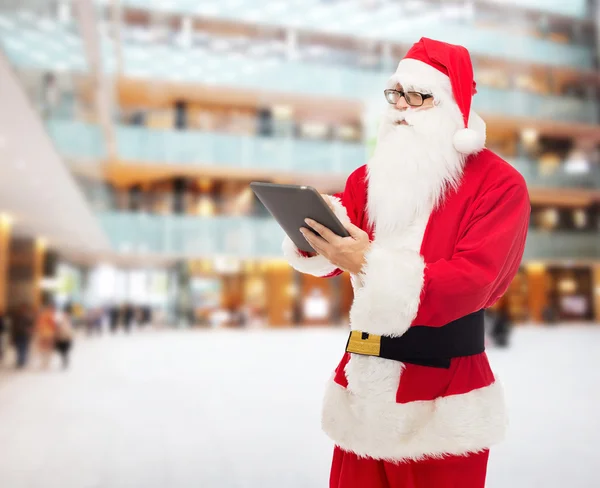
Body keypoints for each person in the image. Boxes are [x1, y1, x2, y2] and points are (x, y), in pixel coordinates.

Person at [282, 38, 530, 488]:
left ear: (452, 107)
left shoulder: (500, 185)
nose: (401, 107)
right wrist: (314, 233)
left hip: (443, 400)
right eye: (395, 94)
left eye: (418, 95)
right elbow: (333, 258)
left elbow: (472, 282)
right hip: (364, 389)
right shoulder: (367, 179)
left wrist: (368, 262)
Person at [10, 304, 35, 369]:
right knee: (19, 348)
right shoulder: (16, 317)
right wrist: (12, 336)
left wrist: (30, 332)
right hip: (18, 334)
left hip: (24, 335)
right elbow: (13, 327)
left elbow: (31, 326)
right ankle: (20, 360)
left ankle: (22, 361)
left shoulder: (28, 317)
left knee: (23, 348)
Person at [36, 303, 57, 369]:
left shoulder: (43, 315)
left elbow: (38, 325)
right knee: (48, 348)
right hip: (48, 334)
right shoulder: (50, 315)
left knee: (43, 348)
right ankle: (46, 362)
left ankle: (44, 362)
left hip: (43, 333)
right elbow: (53, 325)